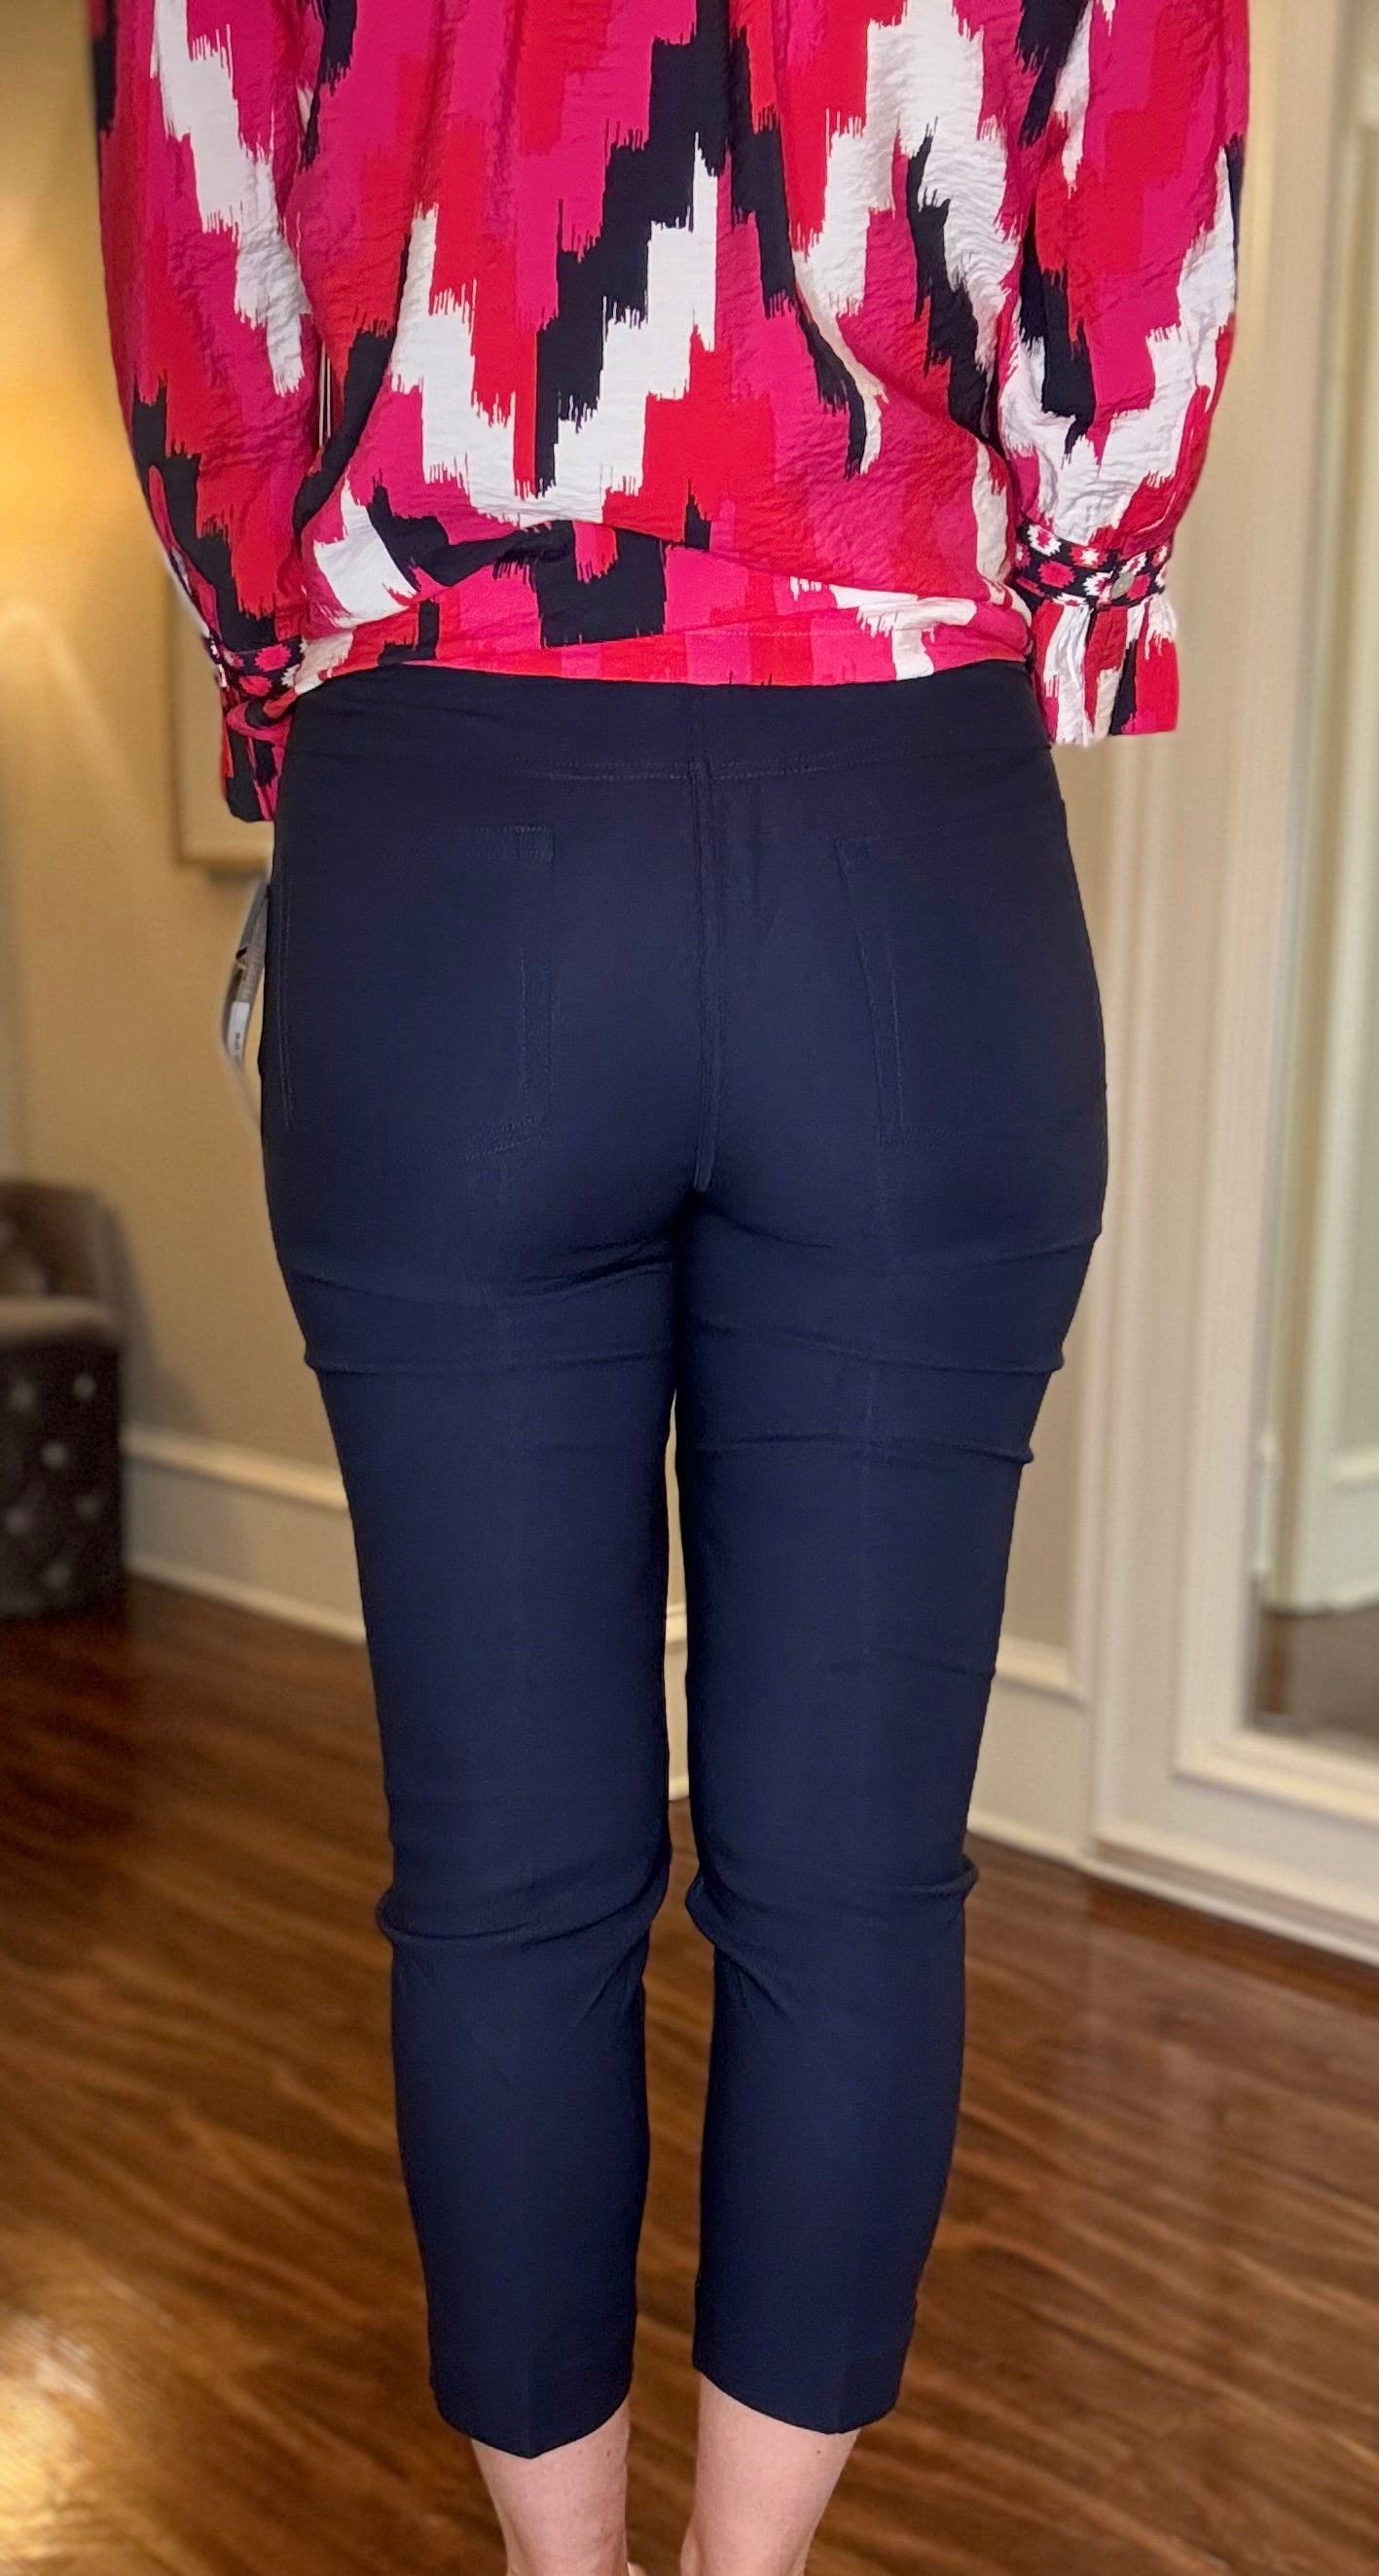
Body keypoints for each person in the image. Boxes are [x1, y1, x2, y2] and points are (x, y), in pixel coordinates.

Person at [89, 5, 1248, 2572]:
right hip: (903, 844)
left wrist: (290, 658)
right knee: (852, 1875)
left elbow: (201, 242)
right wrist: (1055, 592)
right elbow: (1139, 215)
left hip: (457, 846)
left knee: (504, 1878)